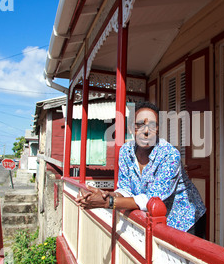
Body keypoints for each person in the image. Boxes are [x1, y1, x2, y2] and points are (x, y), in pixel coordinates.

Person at [76, 101, 207, 238]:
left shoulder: (169, 155)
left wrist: (108, 203)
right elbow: (125, 189)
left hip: (187, 220)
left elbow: (152, 199)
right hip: (158, 220)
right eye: (140, 125)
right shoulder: (126, 152)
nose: (146, 131)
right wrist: (107, 195)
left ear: (158, 129)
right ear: (132, 128)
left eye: (152, 125)